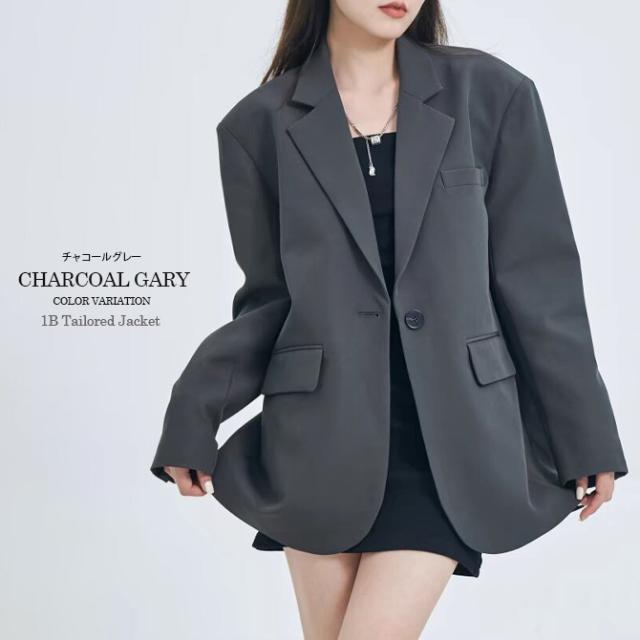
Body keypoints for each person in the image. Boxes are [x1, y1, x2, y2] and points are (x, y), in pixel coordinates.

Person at [150, 1, 629, 637]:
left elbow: (540, 281)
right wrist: (194, 409)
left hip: (451, 440)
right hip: (320, 440)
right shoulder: (257, 126)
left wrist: (585, 432)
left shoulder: (491, 94)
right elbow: (270, 300)